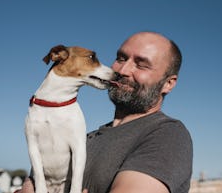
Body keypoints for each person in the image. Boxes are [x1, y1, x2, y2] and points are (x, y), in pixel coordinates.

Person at [20, 31, 193, 193]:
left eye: (141, 65)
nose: (123, 71)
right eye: (121, 58)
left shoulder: (167, 134)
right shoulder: (87, 137)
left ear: (168, 83)